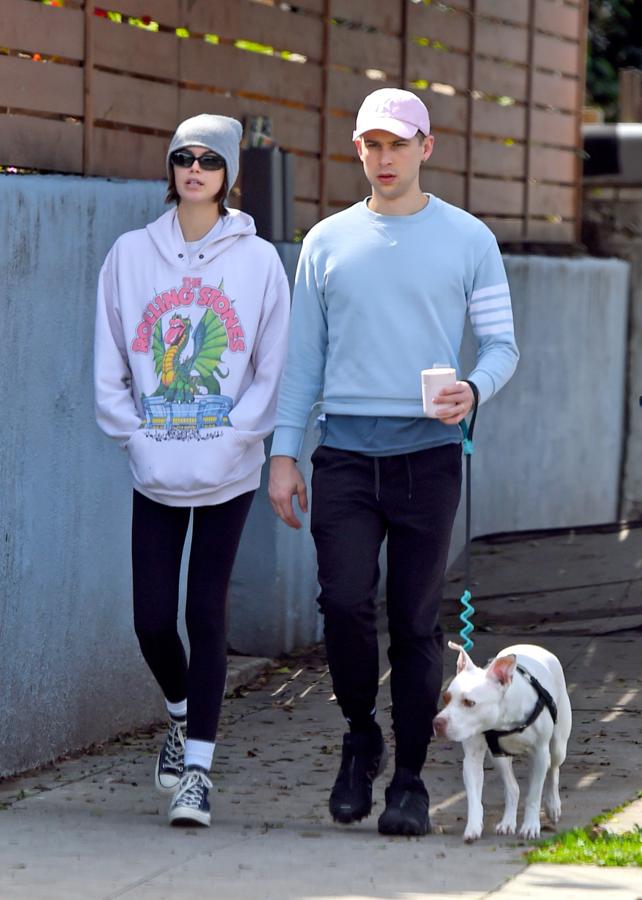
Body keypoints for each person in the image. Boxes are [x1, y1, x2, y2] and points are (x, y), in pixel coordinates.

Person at [268, 88, 519, 836]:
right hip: (344, 454)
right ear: (358, 149)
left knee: (414, 622)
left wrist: (474, 389)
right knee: (343, 604)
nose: (384, 159)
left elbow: (503, 346)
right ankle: (359, 738)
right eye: (372, 145)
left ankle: (409, 777)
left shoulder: (469, 238)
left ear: (426, 148)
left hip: (429, 459)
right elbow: (299, 364)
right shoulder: (325, 241)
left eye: (398, 145)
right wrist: (285, 456)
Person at [94, 114, 290, 828]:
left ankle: (197, 774)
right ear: (171, 168)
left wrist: (240, 438)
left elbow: (273, 364)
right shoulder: (130, 255)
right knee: (152, 621)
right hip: (156, 469)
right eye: (184, 157)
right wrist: (136, 442)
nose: (196, 169)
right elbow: (110, 362)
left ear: (231, 174)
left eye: (210, 159)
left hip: (229, 471)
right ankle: (179, 711)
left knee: (206, 614)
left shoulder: (259, 261)